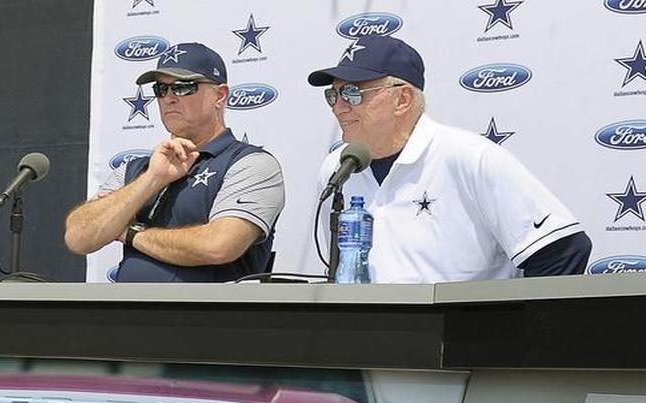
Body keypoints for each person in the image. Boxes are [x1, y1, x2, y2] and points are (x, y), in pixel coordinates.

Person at [308, 35, 591, 284]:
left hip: (460, 339)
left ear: (402, 99)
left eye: (352, 93)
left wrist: (516, 337)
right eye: (333, 95)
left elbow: (562, 249)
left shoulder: (469, 157)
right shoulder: (337, 169)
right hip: (369, 337)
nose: (339, 107)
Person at [64, 42, 285, 282]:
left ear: (219, 95)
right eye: (161, 89)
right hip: (128, 316)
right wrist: (152, 179)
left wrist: (130, 233)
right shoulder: (137, 169)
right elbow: (79, 236)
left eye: (183, 87)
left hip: (210, 317)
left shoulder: (250, 163)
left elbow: (218, 245)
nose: (169, 98)